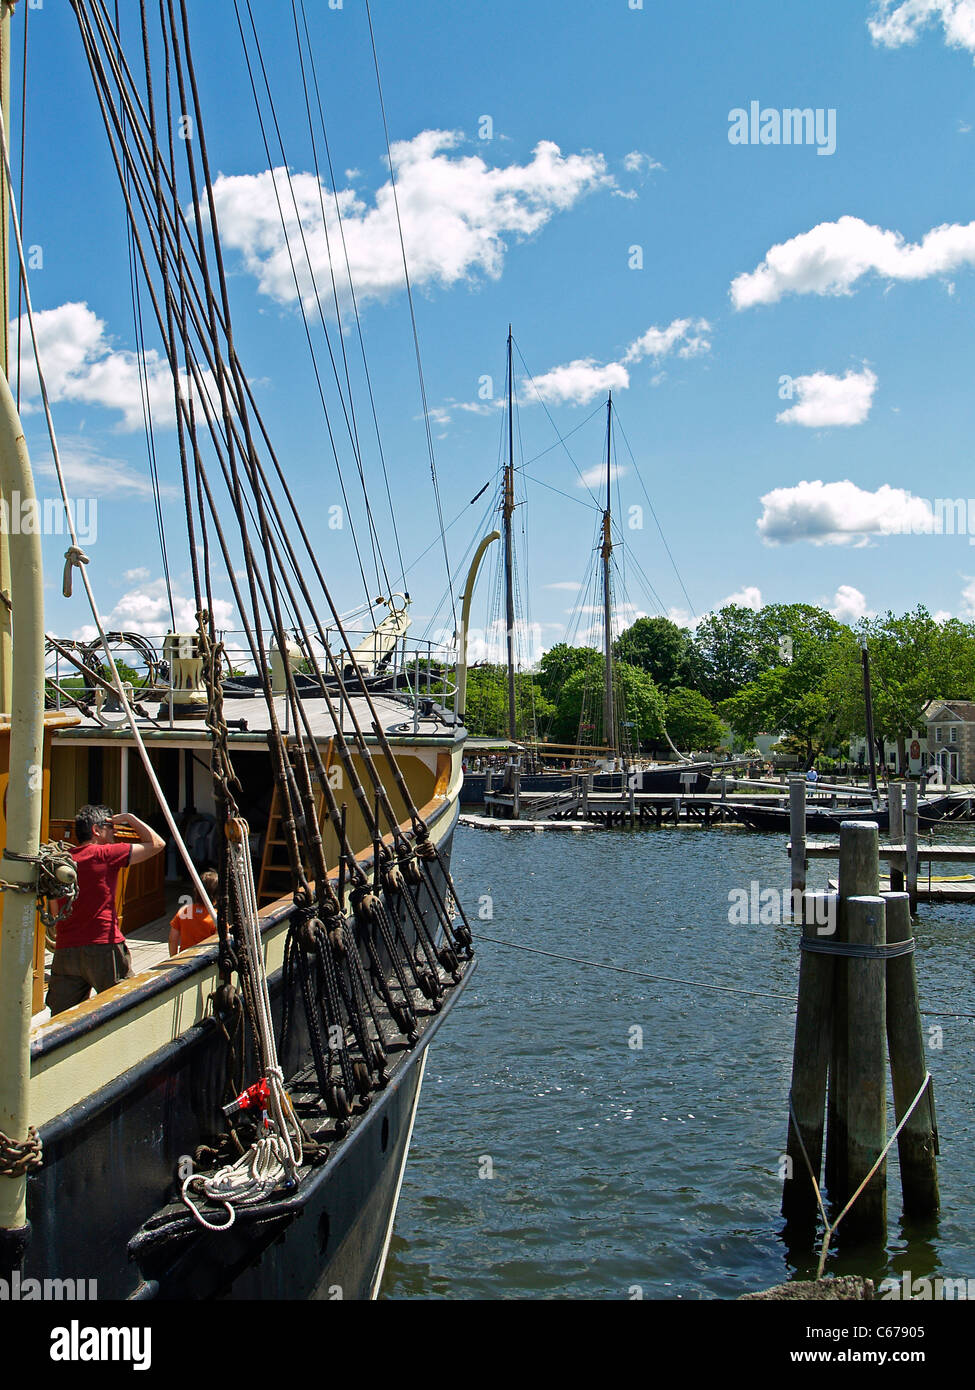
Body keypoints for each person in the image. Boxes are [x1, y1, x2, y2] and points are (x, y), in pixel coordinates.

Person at [47, 804, 166, 1017]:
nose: (115, 831)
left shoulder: (62, 863)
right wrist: (130, 818)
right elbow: (157, 844)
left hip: (66, 952)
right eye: (110, 826)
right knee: (123, 1011)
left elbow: (54, 909)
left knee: (61, 1020)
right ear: (96, 830)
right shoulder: (106, 854)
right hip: (104, 948)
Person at [169, 868, 218, 955]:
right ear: (217, 896)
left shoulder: (185, 911)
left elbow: (173, 939)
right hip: (204, 960)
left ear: (196, 891)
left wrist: (173, 957)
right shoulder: (216, 917)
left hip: (184, 959)